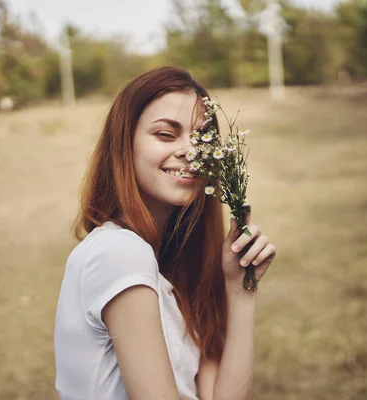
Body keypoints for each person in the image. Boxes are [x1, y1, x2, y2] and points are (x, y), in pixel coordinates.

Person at [54, 66, 276, 400]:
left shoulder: (171, 266)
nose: (191, 150)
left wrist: (240, 291)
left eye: (202, 137)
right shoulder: (119, 252)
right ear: (123, 146)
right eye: (165, 134)